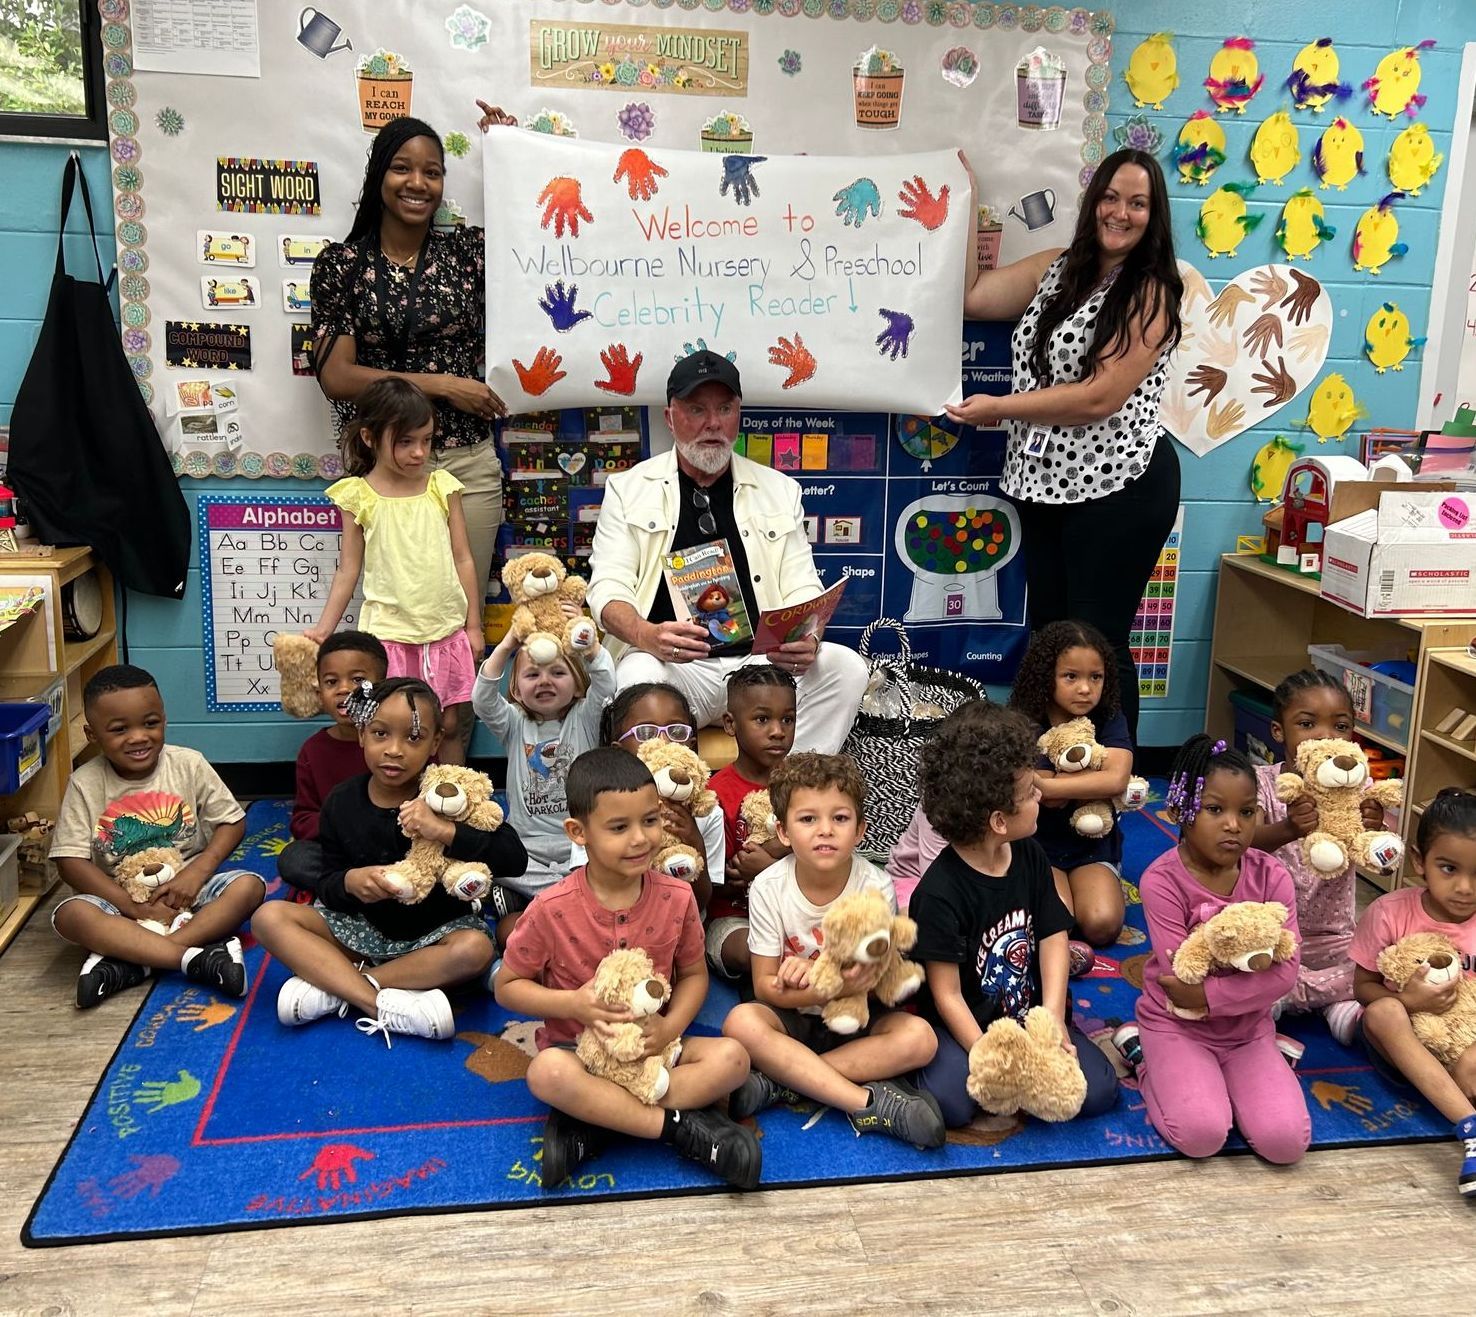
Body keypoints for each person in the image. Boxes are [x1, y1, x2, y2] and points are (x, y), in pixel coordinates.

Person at [949, 148, 1184, 742]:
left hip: (1119, 485)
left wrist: (999, 410)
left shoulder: (1151, 290)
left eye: (1137, 203)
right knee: (1052, 639)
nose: (1121, 213)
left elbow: (1098, 397)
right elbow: (973, 296)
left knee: (1096, 644)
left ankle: (1112, 781)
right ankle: (1052, 769)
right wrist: (970, 201)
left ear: (1153, 215)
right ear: (1093, 203)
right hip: (1045, 483)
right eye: (1110, 198)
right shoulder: (1056, 267)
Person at [311, 108, 517, 753]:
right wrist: (442, 383)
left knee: (458, 632)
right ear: (379, 176)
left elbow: (536, 238)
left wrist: (512, 152)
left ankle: (454, 797)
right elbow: (337, 376)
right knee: (387, 638)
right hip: (383, 474)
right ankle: (393, 802)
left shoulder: (466, 253)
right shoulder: (342, 265)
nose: (417, 183)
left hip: (466, 465)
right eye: (403, 167)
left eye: (433, 171)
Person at [495, 747, 760, 1191]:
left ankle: (599, 1119)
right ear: (579, 833)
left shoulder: (677, 898)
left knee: (733, 1060)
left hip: (655, 1048)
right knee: (545, 1074)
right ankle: (676, 1129)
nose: (640, 838)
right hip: (578, 1052)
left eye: (650, 820)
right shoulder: (550, 908)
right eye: (619, 827)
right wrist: (573, 1004)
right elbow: (507, 986)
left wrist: (670, 1025)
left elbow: (694, 975)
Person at [587, 351, 867, 753]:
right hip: (677, 667)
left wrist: (808, 634)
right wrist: (647, 635)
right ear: (670, 418)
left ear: (739, 414)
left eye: (724, 408)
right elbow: (606, 589)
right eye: (697, 409)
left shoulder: (779, 489)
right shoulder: (628, 489)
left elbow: (802, 585)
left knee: (845, 668)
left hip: (760, 667)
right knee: (637, 674)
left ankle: (787, 792)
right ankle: (669, 799)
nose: (712, 423)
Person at [252, 678, 527, 1045]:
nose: (394, 750)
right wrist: (350, 882)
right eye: (381, 734)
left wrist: (446, 831)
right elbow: (329, 882)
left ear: (435, 743)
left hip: (434, 936)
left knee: (475, 950)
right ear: (362, 735)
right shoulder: (341, 801)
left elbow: (514, 858)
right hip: (359, 930)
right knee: (269, 917)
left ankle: (342, 987)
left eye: (413, 738)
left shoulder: (449, 796)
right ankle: (375, 1002)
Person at [909, 701, 1119, 1128]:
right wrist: (986, 1053)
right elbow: (947, 994)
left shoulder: (1029, 855)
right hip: (966, 1025)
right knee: (953, 1104)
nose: (1041, 795)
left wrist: (1055, 1019)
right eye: (1030, 794)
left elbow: (1053, 936)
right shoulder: (938, 893)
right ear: (1000, 821)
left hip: (1029, 1016)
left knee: (1097, 1092)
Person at [721, 753, 947, 1148]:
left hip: (855, 1023)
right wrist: (824, 985)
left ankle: (785, 1083)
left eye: (840, 819)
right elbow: (765, 988)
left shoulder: (875, 886)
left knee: (921, 1039)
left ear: (860, 830)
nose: (825, 830)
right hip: (792, 1017)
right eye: (808, 819)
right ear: (783, 831)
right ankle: (867, 1101)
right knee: (741, 1022)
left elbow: (876, 985)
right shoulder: (769, 887)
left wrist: (838, 986)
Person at [1127, 736, 1310, 1166]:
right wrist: (1230, 991)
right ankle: (1143, 1057)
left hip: (1248, 1030)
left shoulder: (1273, 876)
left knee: (1286, 1143)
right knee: (1201, 1134)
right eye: (1215, 810)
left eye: (1246, 813)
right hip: (1178, 1027)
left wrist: (1211, 998)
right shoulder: (1162, 881)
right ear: (1179, 810)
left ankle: (1254, 1064)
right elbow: (1181, 982)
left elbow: (1286, 973)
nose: (1233, 825)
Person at [49, 665, 262, 1008]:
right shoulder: (84, 783)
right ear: (92, 735)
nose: (138, 737)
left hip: (189, 895)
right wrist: (131, 907)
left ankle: (139, 959)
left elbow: (232, 823)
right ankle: (194, 958)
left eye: (150, 723)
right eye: (119, 729)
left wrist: (196, 874)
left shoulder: (188, 764)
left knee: (248, 887)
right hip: (119, 901)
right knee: (70, 915)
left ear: (164, 719)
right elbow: (69, 862)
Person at [307, 379, 483, 766]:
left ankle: (452, 801)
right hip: (388, 635)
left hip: (444, 630)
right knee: (387, 723)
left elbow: (463, 558)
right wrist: (324, 629)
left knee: (448, 724)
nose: (419, 452)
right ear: (370, 437)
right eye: (405, 442)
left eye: (426, 440)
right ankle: (392, 807)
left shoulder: (442, 486)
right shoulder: (358, 495)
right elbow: (348, 569)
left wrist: (473, 626)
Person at [1350, 788, 1476, 1196]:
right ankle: (1471, 1129)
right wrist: (1409, 1001)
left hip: (1464, 1043)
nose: (1465, 887)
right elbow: (1362, 987)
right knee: (1381, 1013)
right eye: (1449, 868)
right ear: (1420, 862)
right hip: (1403, 1041)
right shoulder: (1390, 913)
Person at [1252, 668, 1386, 1046]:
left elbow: (1379, 857)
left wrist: (1375, 830)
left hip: (1332, 934)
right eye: (1307, 724)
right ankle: (1288, 999)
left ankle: (1323, 1005)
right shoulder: (1260, 783)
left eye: (1340, 726)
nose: (1326, 736)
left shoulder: (1358, 785)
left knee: (1374, 969)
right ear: (1279, 732)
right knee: (1243, 963)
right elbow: (1244, 846)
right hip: (1272, 932)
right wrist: (1289, 829)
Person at [471, 610, 617, 942]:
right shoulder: (514, 724)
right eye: (532, 674)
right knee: (485, 849)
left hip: (578, 846)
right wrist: (510, 640)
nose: (545, 681)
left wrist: (588, 643)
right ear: (518, 690)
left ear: (579, 684)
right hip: (525, 846)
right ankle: (562, 897)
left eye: (557, 672)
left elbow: (607, 682)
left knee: (602, 864)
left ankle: (534, 899)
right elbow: (482, 699)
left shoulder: (584, 717)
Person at [1009, 620, 1135, 956]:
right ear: (1046, 675)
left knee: (1102, 924)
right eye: (1071, 677)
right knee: (1058, 922)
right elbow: (1034, 794)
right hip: (1038, 845)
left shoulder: (1109, 717)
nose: (1085, 689)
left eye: (1096, 677)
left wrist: (1052, 785)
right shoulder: (1024, 720)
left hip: (1092, 845)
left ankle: (1101, 882)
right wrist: (1089, 786)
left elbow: (1117, 780)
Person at [594, 683, 726, 915]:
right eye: (646, 733)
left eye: (676, 732)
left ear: (691, 745)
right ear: (619, 749)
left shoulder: (708, 812)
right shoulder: (599, 807)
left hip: (681, 929)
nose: (664, 741)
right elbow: (593, 888)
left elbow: (702, 901)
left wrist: (694, 840)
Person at [280, 629, 389, 897]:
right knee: (294, 859)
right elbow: (303, 819)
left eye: (358, 680)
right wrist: (342, 824)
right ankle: (362, 887)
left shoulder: (397, 740)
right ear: (319, 692)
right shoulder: (312, 751)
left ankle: (377, 887)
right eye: (331, 682)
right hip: (341, 852)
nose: (343, 689)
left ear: (383, 685)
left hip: (393, 846)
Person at [706, 665, 797, 980]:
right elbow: (724, 877)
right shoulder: (715, 793)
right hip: (737, 917)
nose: (778, 731)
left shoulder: (806, 784)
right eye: (762, 719)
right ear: (731, 724)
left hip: (801, 910)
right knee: (749, 949)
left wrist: (776, 854)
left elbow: (826, 843)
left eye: (787, 719)